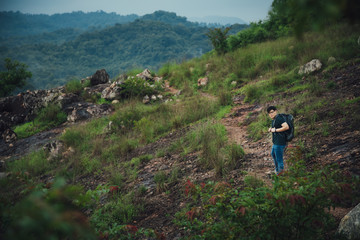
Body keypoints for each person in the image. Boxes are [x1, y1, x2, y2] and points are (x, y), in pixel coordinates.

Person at [267, 106, 289, 175]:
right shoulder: (274, 120)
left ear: (275, 111)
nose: (271, 114)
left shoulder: (279, 118)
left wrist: (275, 130)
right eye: (269, 113)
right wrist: (271, 129)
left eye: (272, 112)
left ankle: (280, 174)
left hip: (280, 142)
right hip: (276, 142)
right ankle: (277, 171)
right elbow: (275, 128)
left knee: (279, 159)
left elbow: (286, 127)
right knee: (273, 154)